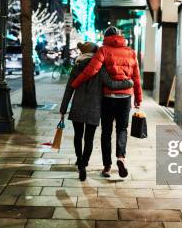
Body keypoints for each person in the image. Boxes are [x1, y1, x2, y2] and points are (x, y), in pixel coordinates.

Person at [71, 26, 143, 178]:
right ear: (120, 36)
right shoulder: (131, 52)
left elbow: (91, 70)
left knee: (106, 131)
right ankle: (121, 158)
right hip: (125, 97)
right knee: (122, 129)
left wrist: (75, 83)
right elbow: (136, 78)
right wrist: (138, 98)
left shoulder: (103, 50)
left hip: (108, 97)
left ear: (106, 36)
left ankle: (107, 166)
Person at [60, 42, 133, 181]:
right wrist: (128, 83)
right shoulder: (100, 68)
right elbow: (111, 84)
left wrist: (63, 108)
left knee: (78, 136)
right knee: (89, 139)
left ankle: (79, 160)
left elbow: (69, 89)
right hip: (94, 108)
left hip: (77, 107)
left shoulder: (76, 66)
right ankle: (84, 164)